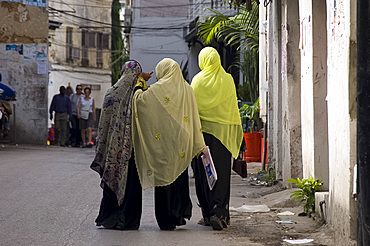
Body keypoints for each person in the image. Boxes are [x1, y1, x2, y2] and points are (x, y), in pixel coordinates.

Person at [132, 58, 206, 230]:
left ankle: (166, 219)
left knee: (164, 178)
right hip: (182, 142)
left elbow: (139, 101)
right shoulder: (187, 88)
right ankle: (179, 214)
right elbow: (194, 114)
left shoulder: (157, 90)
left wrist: (140, 82)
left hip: (164, 143)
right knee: (179, 176)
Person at [90, 60, 150, 230]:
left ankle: (109, 218)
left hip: (112, 151)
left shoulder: (111, 93)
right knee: (130, 183)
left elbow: (103, 127)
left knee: (113, 180)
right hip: (132, 151)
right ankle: (126, 220)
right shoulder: (137, 94)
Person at [191, 47, 243, 230]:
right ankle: (219, 212)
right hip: (223, 137)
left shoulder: (196, 81)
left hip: (202, 137)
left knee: (203, 174)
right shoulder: (228, 80)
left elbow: (191, 111)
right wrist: (239, 137)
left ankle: (206, 212)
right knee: (221, 175)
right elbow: (233, 110)